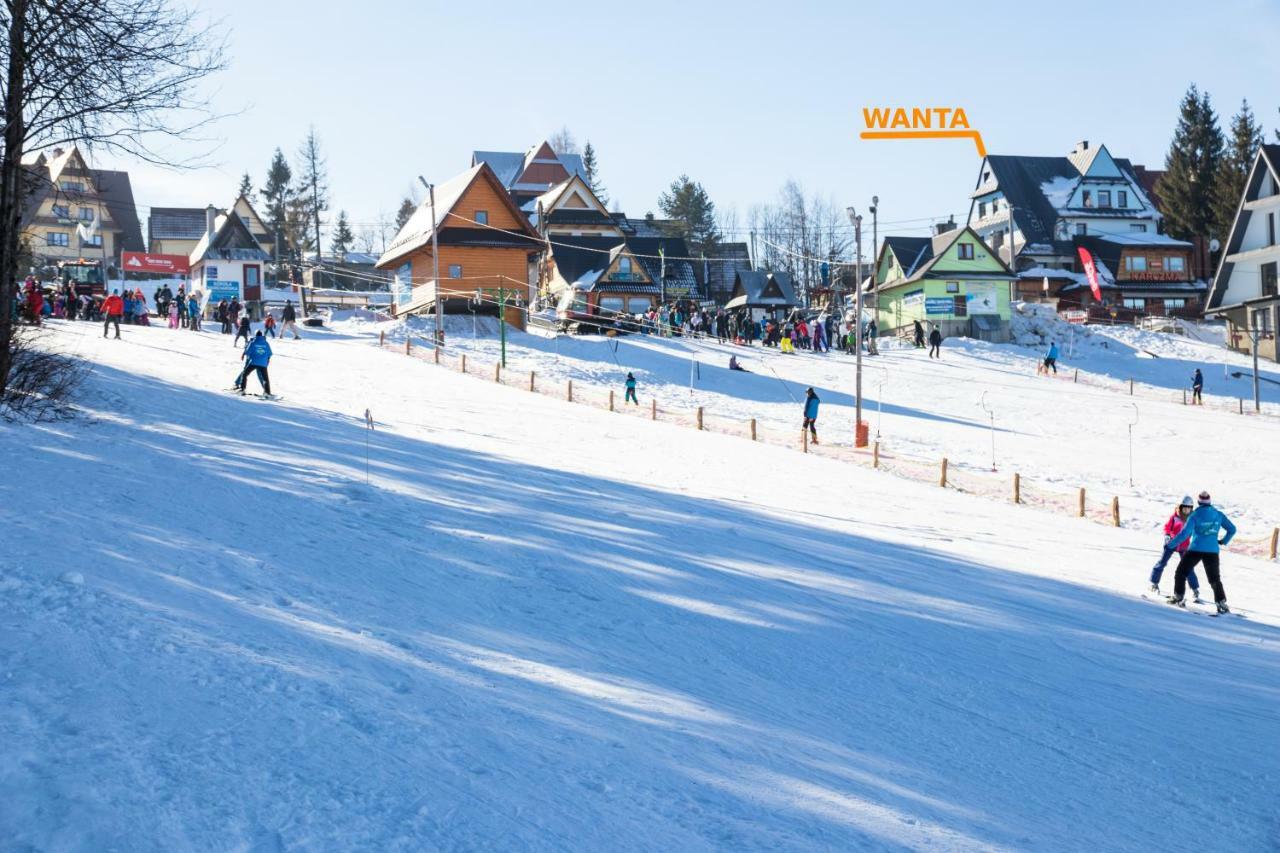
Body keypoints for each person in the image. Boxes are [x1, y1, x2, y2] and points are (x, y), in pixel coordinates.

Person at [1166, 491, 1236, 613]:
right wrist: (1223, 541)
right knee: (1214, 579)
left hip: (1195, 550)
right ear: (1209, 502)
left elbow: (1184, 534)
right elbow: (1232, 529)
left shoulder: (1194, 515)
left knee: (1181, 572)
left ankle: (1178, 597)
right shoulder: (1218, 515)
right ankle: (1221, 603)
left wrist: (1170, 545)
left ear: (1198, 502)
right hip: (1212, 551)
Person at [1149, 496, 1201, 599]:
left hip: (1184, 546)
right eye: (1184, 508)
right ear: (1180, 507)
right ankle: (1154, 583)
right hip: (1171, 543)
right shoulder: (1174, 517)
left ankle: (1195, 589)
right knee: (1162, 562)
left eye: (1189, 508)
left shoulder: (1192, 519)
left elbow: (1196, 531)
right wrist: (1167, 536)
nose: (1186, 510)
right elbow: (1167, 528)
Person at [236, 330, 273, 397]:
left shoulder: (253, 342)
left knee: (245, 374)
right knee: (265, 378)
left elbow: (247, 352)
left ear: (255, 335)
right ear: (261, 335)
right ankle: (267, 392)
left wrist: (251, 356)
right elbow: (270, 354)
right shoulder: (266, 343)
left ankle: (242, 389)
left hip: (253, 362)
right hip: (263, 364)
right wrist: (266, 360)